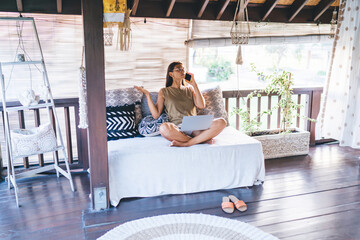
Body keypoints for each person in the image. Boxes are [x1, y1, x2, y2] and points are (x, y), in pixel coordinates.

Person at [134, 61, 226, 147]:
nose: (182, 71)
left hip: (194, 124)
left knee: (221, 122)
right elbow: (156, 115)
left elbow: (201, 105)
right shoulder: (164, 91)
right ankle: (199, 140)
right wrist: (147, 94)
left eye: (183, 69)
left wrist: (194, 84)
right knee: (163, 128)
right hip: (177, 127)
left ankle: (188, 143)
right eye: (178, 69)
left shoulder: (189, 89)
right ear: (171, 74)